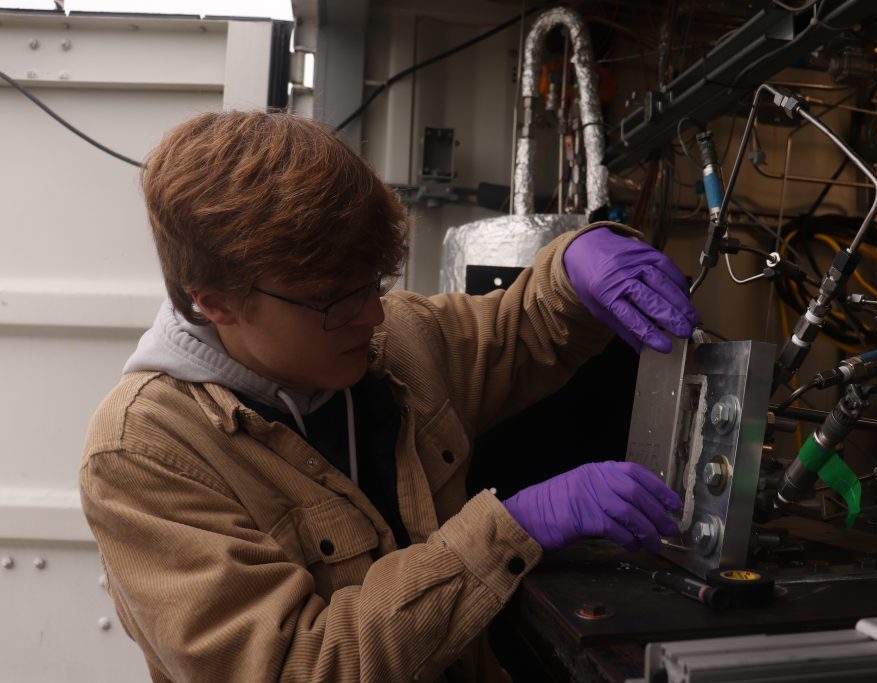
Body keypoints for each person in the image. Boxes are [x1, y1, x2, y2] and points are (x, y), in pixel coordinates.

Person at [80, 111, 699, 683]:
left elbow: (520, 331)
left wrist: (577, 260)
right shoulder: (144, 454)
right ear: (212, 301)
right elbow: (300, 665)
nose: (373, 314)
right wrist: (512, 529)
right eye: (334, 298)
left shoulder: (395, 341)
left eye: (374, 283)